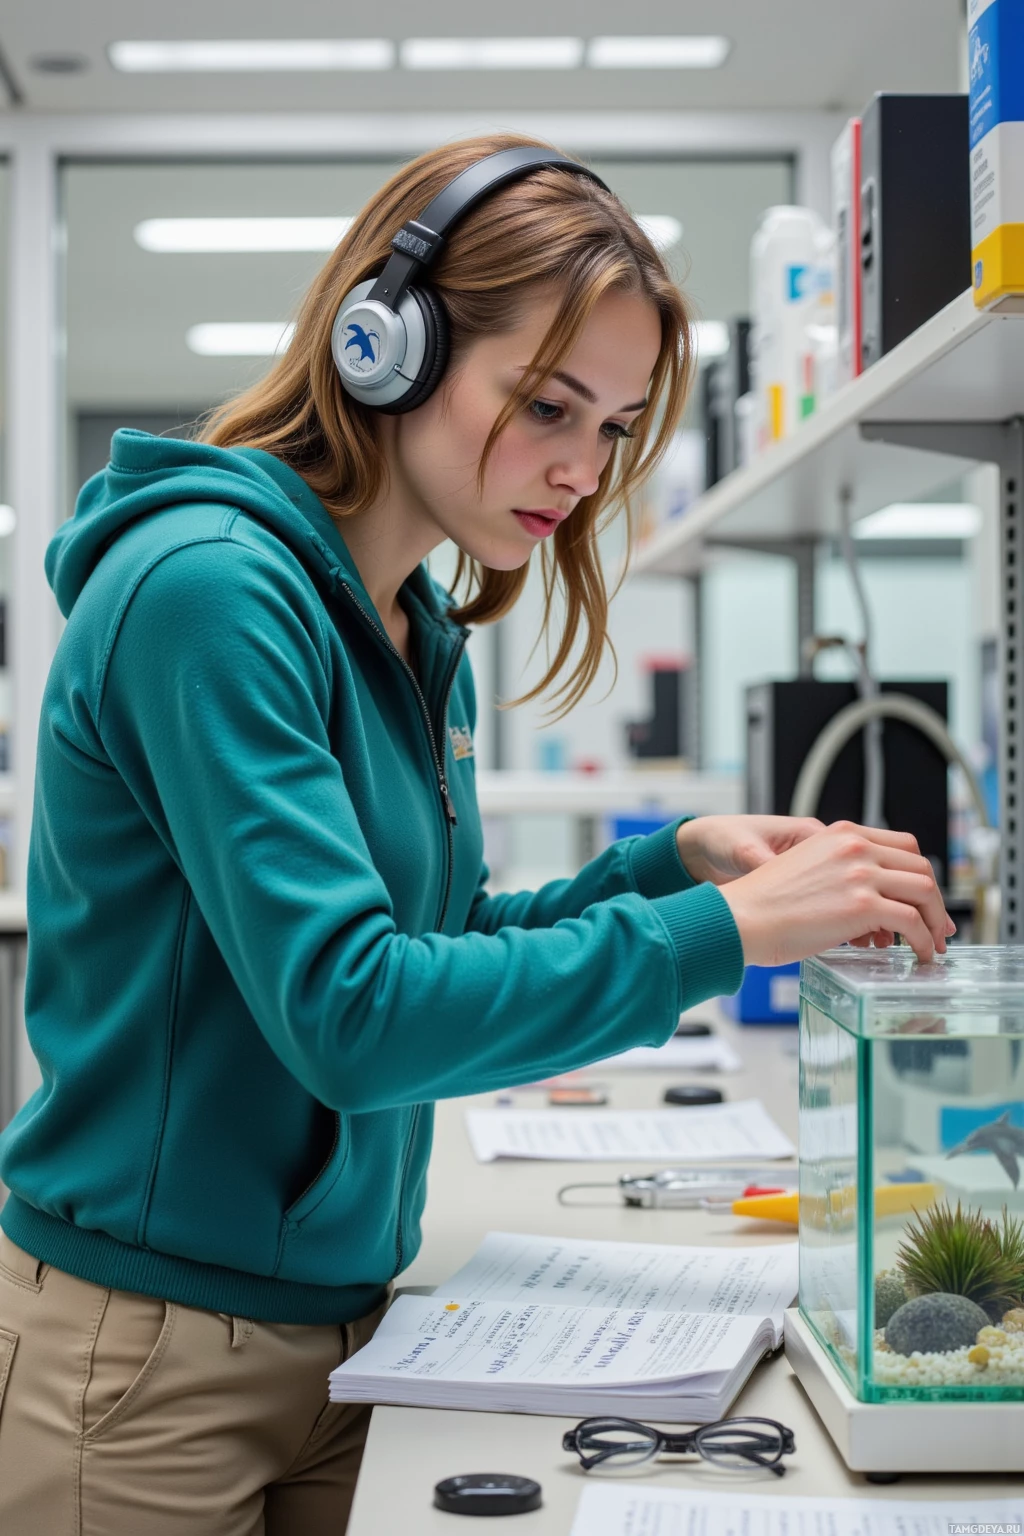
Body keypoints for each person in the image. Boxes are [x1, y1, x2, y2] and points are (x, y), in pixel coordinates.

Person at [0, 134, 952, 1535]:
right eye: (549, 404)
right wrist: (725, 935)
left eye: (617, 428)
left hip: (345, 1329)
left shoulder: (406, 620)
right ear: (385, 345)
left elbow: (430, 945)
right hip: (147, 1364)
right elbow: (352, 1012)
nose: (582, 468)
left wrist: (667, 864)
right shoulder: (208, 593)